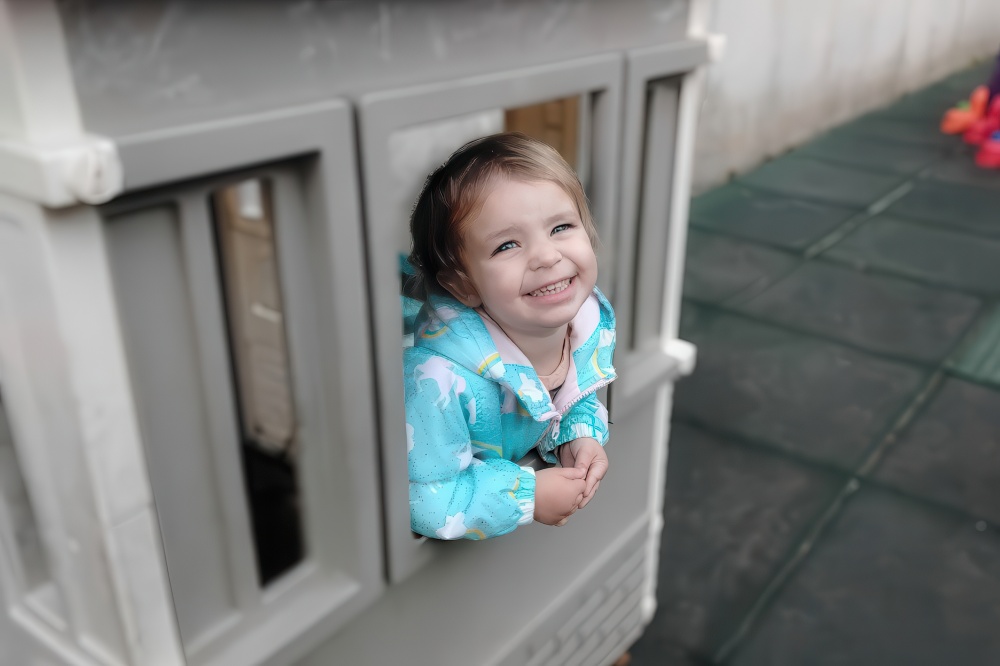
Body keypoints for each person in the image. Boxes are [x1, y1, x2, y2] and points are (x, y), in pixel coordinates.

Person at [405, 132, 617, 540]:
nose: (546, 256)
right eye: (506, 245)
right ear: (462, 285)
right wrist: (528, 495)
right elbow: (426, 498)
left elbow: (568, 394)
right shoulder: (437, 381)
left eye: (561, 227)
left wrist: (579, 434)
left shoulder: (582, 326)